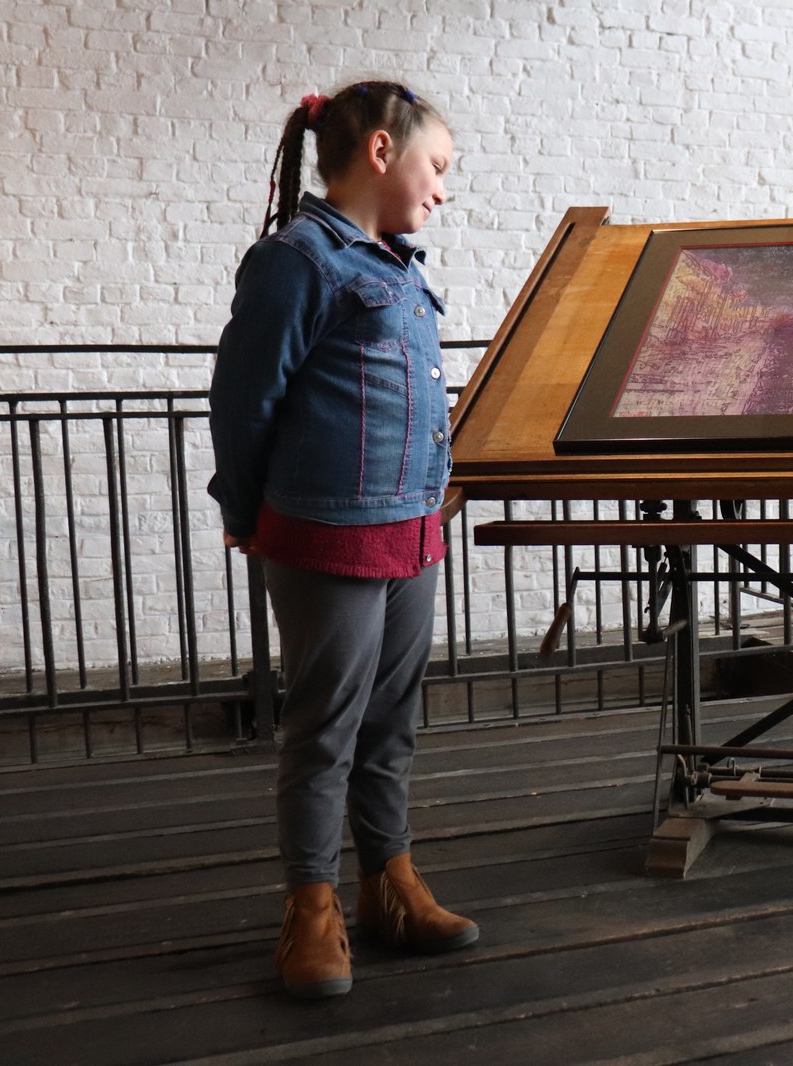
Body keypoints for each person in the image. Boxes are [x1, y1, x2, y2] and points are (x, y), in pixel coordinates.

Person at [208, 81, 477, 1000]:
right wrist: (245, 512)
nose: (442, 188)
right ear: (380, 151)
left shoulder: (397, 264)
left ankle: (390, 885)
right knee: (324, 727)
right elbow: (244, 402)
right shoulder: (295, 260)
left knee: (391, 723)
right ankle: (311, 909)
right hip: (326, 536)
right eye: (436, 166)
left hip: (411, 531)